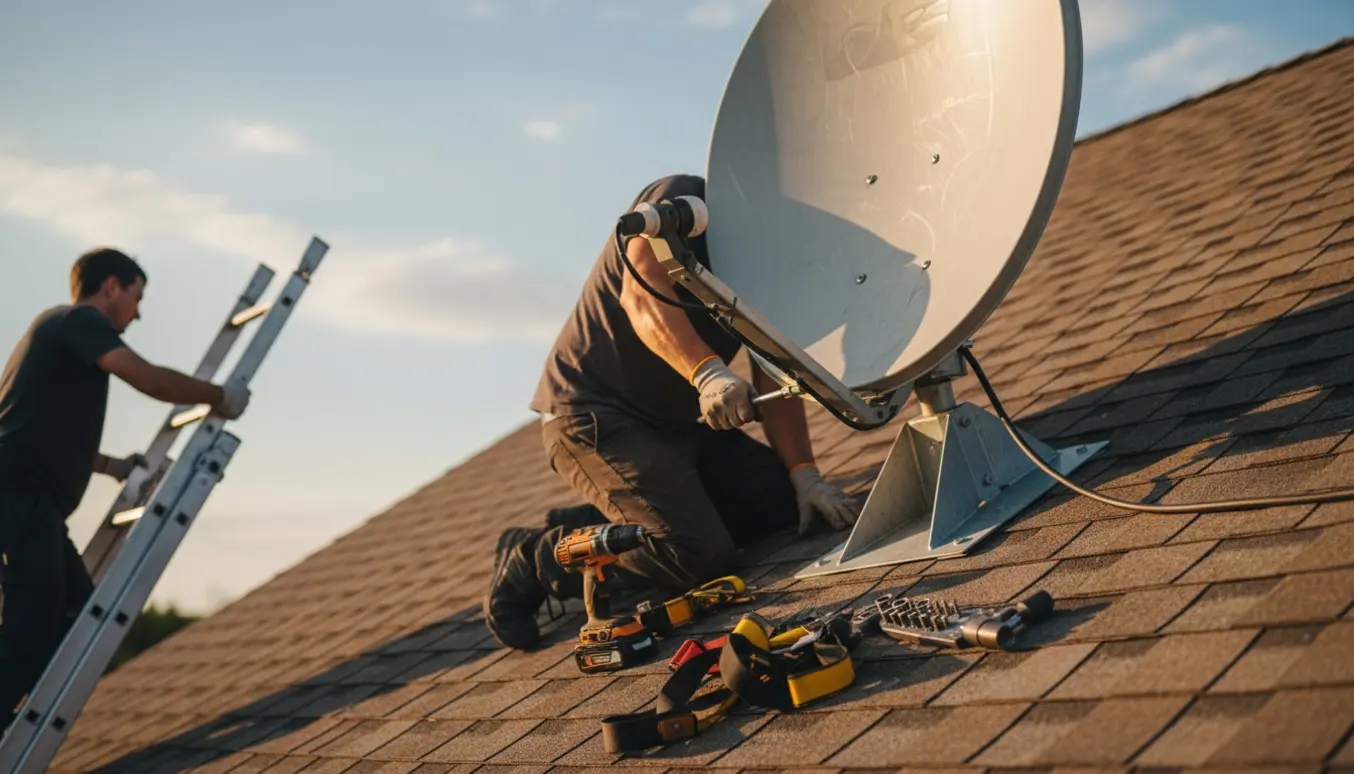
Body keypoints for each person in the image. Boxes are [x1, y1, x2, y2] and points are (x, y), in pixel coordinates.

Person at [484, 174, 860, 650]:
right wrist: (706, 373)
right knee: (695, 553)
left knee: (780, 501)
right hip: (592, 417)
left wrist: (806, 474)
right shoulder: (683, 200)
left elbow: (772, 366)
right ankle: (537, 557)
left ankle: (617, 510)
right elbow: (640, 294)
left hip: (673, 426)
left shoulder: (779, 258)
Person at [0, 247, 251, 732]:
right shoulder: (78, 322)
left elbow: (39, 429)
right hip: (20, 501)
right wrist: (221, 398)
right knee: (28, 637)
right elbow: (150, 380)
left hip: (32, 505)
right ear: (111, 286)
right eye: (137, 296)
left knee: (77, 615)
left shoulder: (55, 333)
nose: (138, 312)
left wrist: (113, 465)